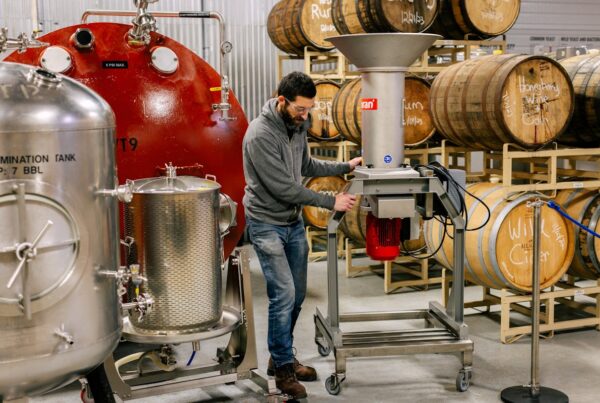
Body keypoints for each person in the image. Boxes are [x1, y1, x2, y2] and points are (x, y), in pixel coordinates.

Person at [243, 71, 362, 399]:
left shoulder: (296, 127)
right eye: (300, 109)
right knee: (282, 294)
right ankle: (283, 371)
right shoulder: (259, 135)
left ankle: (280, 357)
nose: (306, 115)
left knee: (295, 295)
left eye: (309, 109)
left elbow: (306, 166)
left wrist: (343, 166)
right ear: (281, 101)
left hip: (292, 224)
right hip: (266, 222)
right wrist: (330, 200)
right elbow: (283, 187)